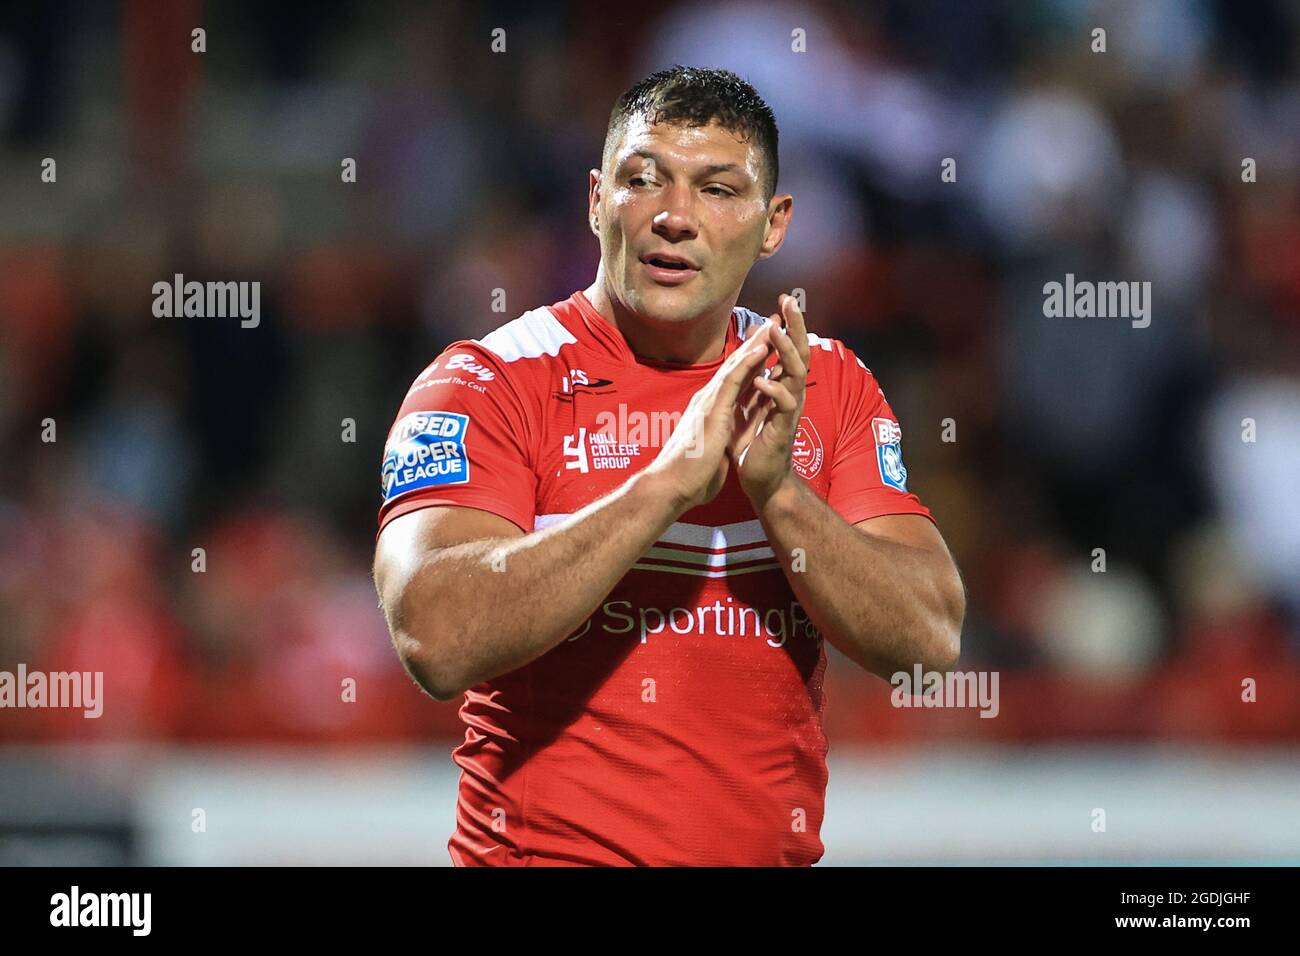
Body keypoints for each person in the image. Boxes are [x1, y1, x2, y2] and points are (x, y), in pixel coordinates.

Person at [373, 66, 965, 866]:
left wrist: (778, 495)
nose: (674, 218)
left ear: (773, 224)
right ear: (594, 200)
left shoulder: (825, 386)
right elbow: (433, 638)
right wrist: (665, 486)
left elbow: (930, 642)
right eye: (643, 179)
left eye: (718, 190)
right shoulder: (487, 381)